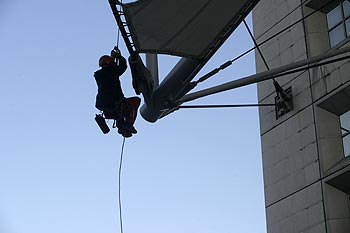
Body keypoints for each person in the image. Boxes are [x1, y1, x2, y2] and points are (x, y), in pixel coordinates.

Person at [94, 47, 137, 137]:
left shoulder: (100, 75)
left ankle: (121, 125)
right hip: (114, 103)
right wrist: (119, 56)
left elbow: (113, 70)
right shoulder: (111, 71)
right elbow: (123, 67)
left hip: (106, 106)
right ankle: (127, 124)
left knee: (120, 109)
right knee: (135, 102)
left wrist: (114, 58)